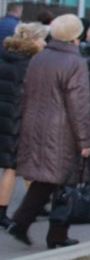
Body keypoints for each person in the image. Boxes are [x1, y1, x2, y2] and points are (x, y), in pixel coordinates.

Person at [6, 15, 90, 249]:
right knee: (65, 180)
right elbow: (78, 105)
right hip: (62, 129)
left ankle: (22, 223)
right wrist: (84, 140)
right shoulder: (75, 62)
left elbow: (25, 92)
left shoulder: (39, 57)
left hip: (36, 123)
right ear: (75, 35)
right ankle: (56, 234)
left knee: (46, 178)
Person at [0, 22, 48, 229]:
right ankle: (2, 212)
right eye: (42, 39)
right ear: (33, 40)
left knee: (22, 164)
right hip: (18, 119)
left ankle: (35, 203)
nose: (44, 43)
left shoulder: (5, 56)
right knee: (12, 167)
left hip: (5, 115)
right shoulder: (31, 64)